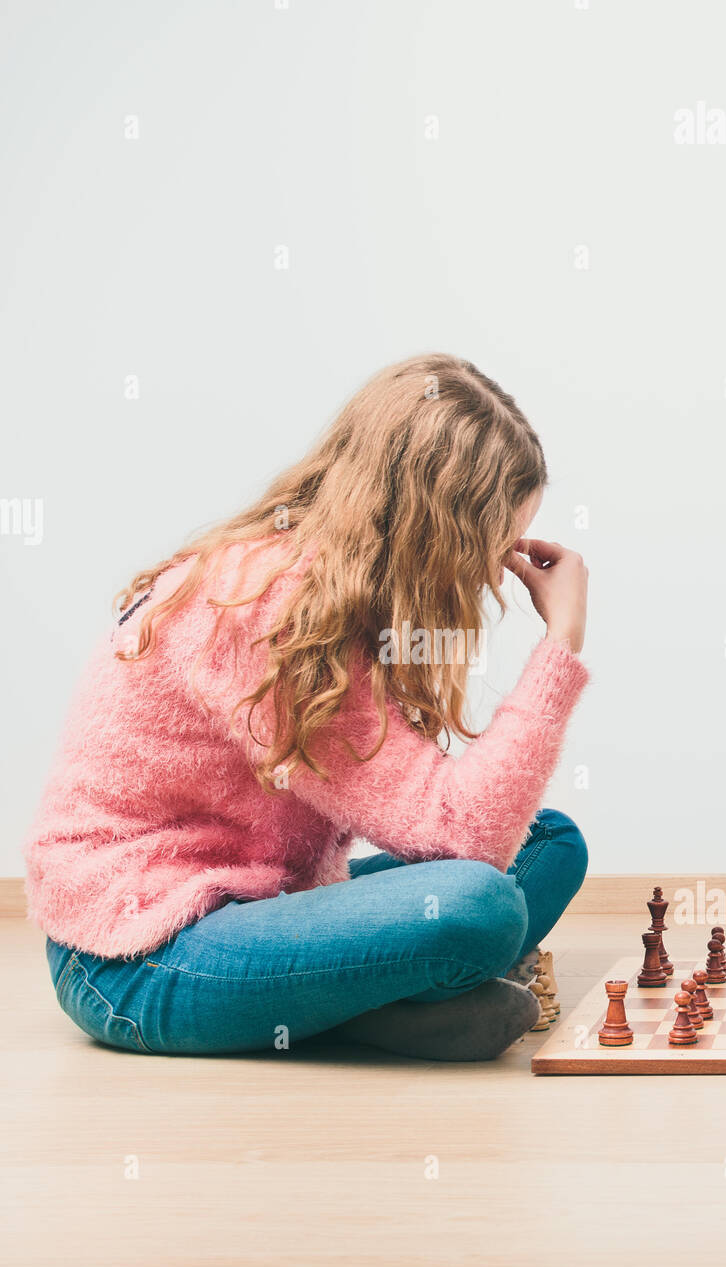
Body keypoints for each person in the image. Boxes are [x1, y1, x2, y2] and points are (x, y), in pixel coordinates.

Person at [26, 354, 590, 1062]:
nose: (489, 572)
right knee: (480, 905)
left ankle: (356, 1001)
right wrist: (560, 645)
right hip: (136, 951)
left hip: (263, 901)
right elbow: (464, 837)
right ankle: (367, 1001)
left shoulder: (333, 588)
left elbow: (451, 825)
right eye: (486, 545)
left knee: (551, 843)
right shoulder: (275, 608)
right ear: (431, 528)